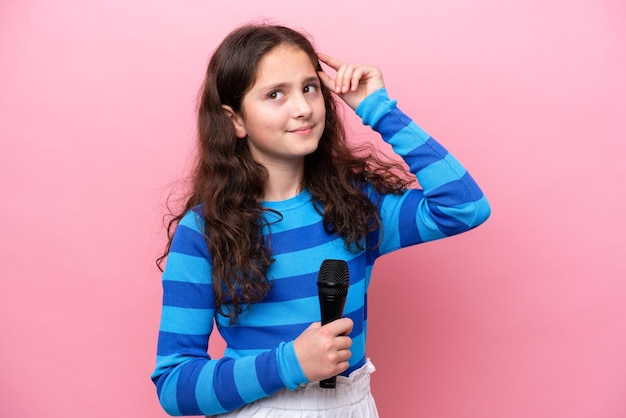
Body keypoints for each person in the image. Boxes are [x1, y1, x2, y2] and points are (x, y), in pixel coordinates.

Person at [151, 23, 490, 417]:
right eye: (276, 94)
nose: (303, 108)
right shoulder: (204, 233)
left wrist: (378, 109)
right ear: (235, 120)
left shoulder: (356, 206)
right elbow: (174, 385)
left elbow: (464, 207)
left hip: (351, 404)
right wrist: (288, 364)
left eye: (309, 88)